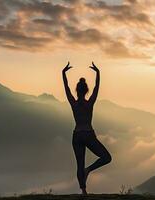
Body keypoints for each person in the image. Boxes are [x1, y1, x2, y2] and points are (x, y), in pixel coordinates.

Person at [62, 61, 112, 195]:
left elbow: (66, 87)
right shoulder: (90, 103)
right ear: (86, 91)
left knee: (79, 164)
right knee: (106, 157)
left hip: (77, 135)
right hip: (89, 135)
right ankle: (88, 169)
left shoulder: (73, 103)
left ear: (77, 91)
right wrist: (98, 73)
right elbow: (96, 87)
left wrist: (63, 73)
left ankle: (83, 190)